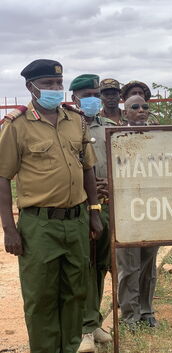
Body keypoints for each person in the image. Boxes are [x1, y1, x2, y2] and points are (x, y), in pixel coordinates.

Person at [0, 59, 103, 353]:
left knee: (75, 292)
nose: (55, 89)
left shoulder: (76, 121)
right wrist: (9, 229)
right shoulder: (16, 126)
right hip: (39, 224)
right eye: (48, 84)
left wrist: (94, 212)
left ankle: (70, 347)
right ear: (31, 88)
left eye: (58, 84)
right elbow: (3, 178)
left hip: (77, 220)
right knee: (41, 297)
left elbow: (87, 170)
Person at [69, 74, 115, 352]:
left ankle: (95, 320)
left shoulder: (109, 127)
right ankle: (83, 328)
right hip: (82, 205)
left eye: (95, 94)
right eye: (86, 95)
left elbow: (120, 161)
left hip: (108, 204)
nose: (92, 100)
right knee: (82, 266)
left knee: (100, 265)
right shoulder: (68, 127)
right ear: (75, 98)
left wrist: (110, 181)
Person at [116, 95, 160, 328]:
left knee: (148, 264)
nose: (141, 110)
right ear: (126, 113)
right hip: (127, 211)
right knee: (128, 265)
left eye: (145, 107)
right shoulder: (116, 138)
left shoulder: (158, 139)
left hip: (153, 210)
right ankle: (129, 315)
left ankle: (146, 310)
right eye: (135, 107)